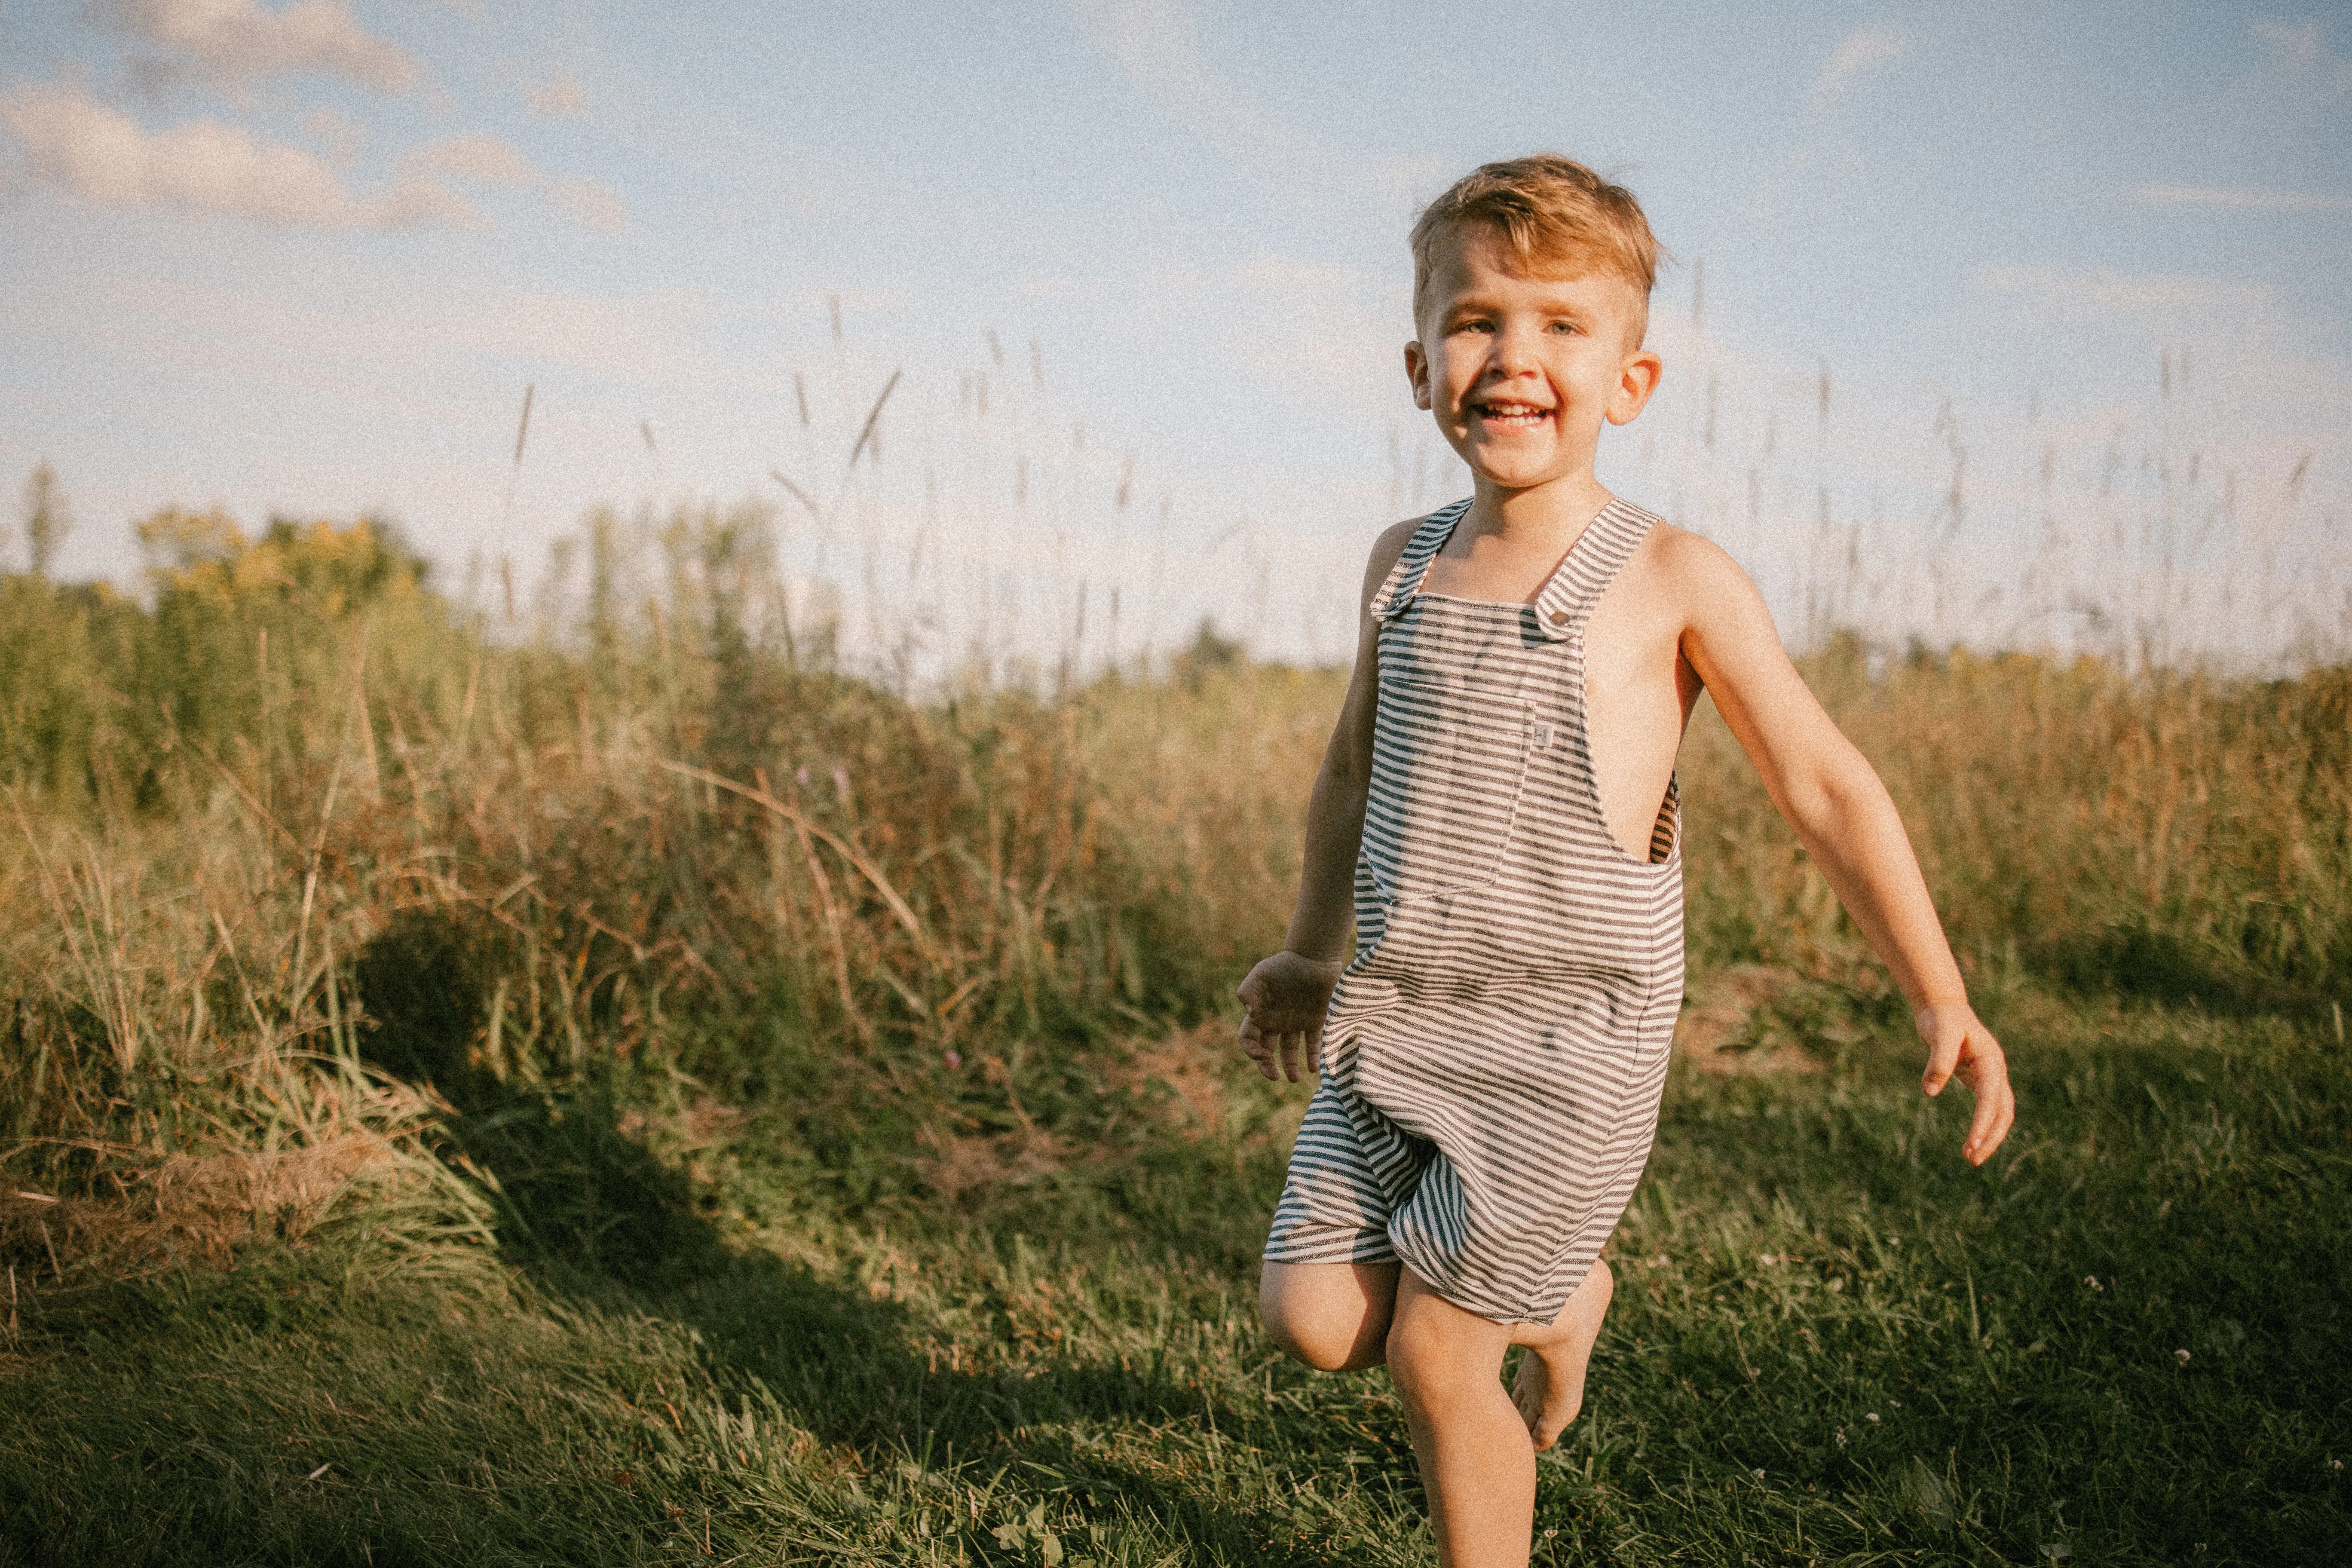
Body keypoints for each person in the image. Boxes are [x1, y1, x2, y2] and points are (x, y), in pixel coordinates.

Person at [1234, 154, 2017, 1568]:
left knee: (1435, 1359)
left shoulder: (1670, 578)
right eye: (1477, 320)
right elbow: (1352, 767)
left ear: (1632, 380)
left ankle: (1501, 1409)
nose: (1513, 357)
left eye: (1561, 325)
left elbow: (1826, 786)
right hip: (1399, 1024)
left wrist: (1939, 990)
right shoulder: (1399, 567)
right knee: (1316, 1321)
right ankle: (1567, 1289)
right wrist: (1308, 950)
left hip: (1566, 1052)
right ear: (1419, 365)